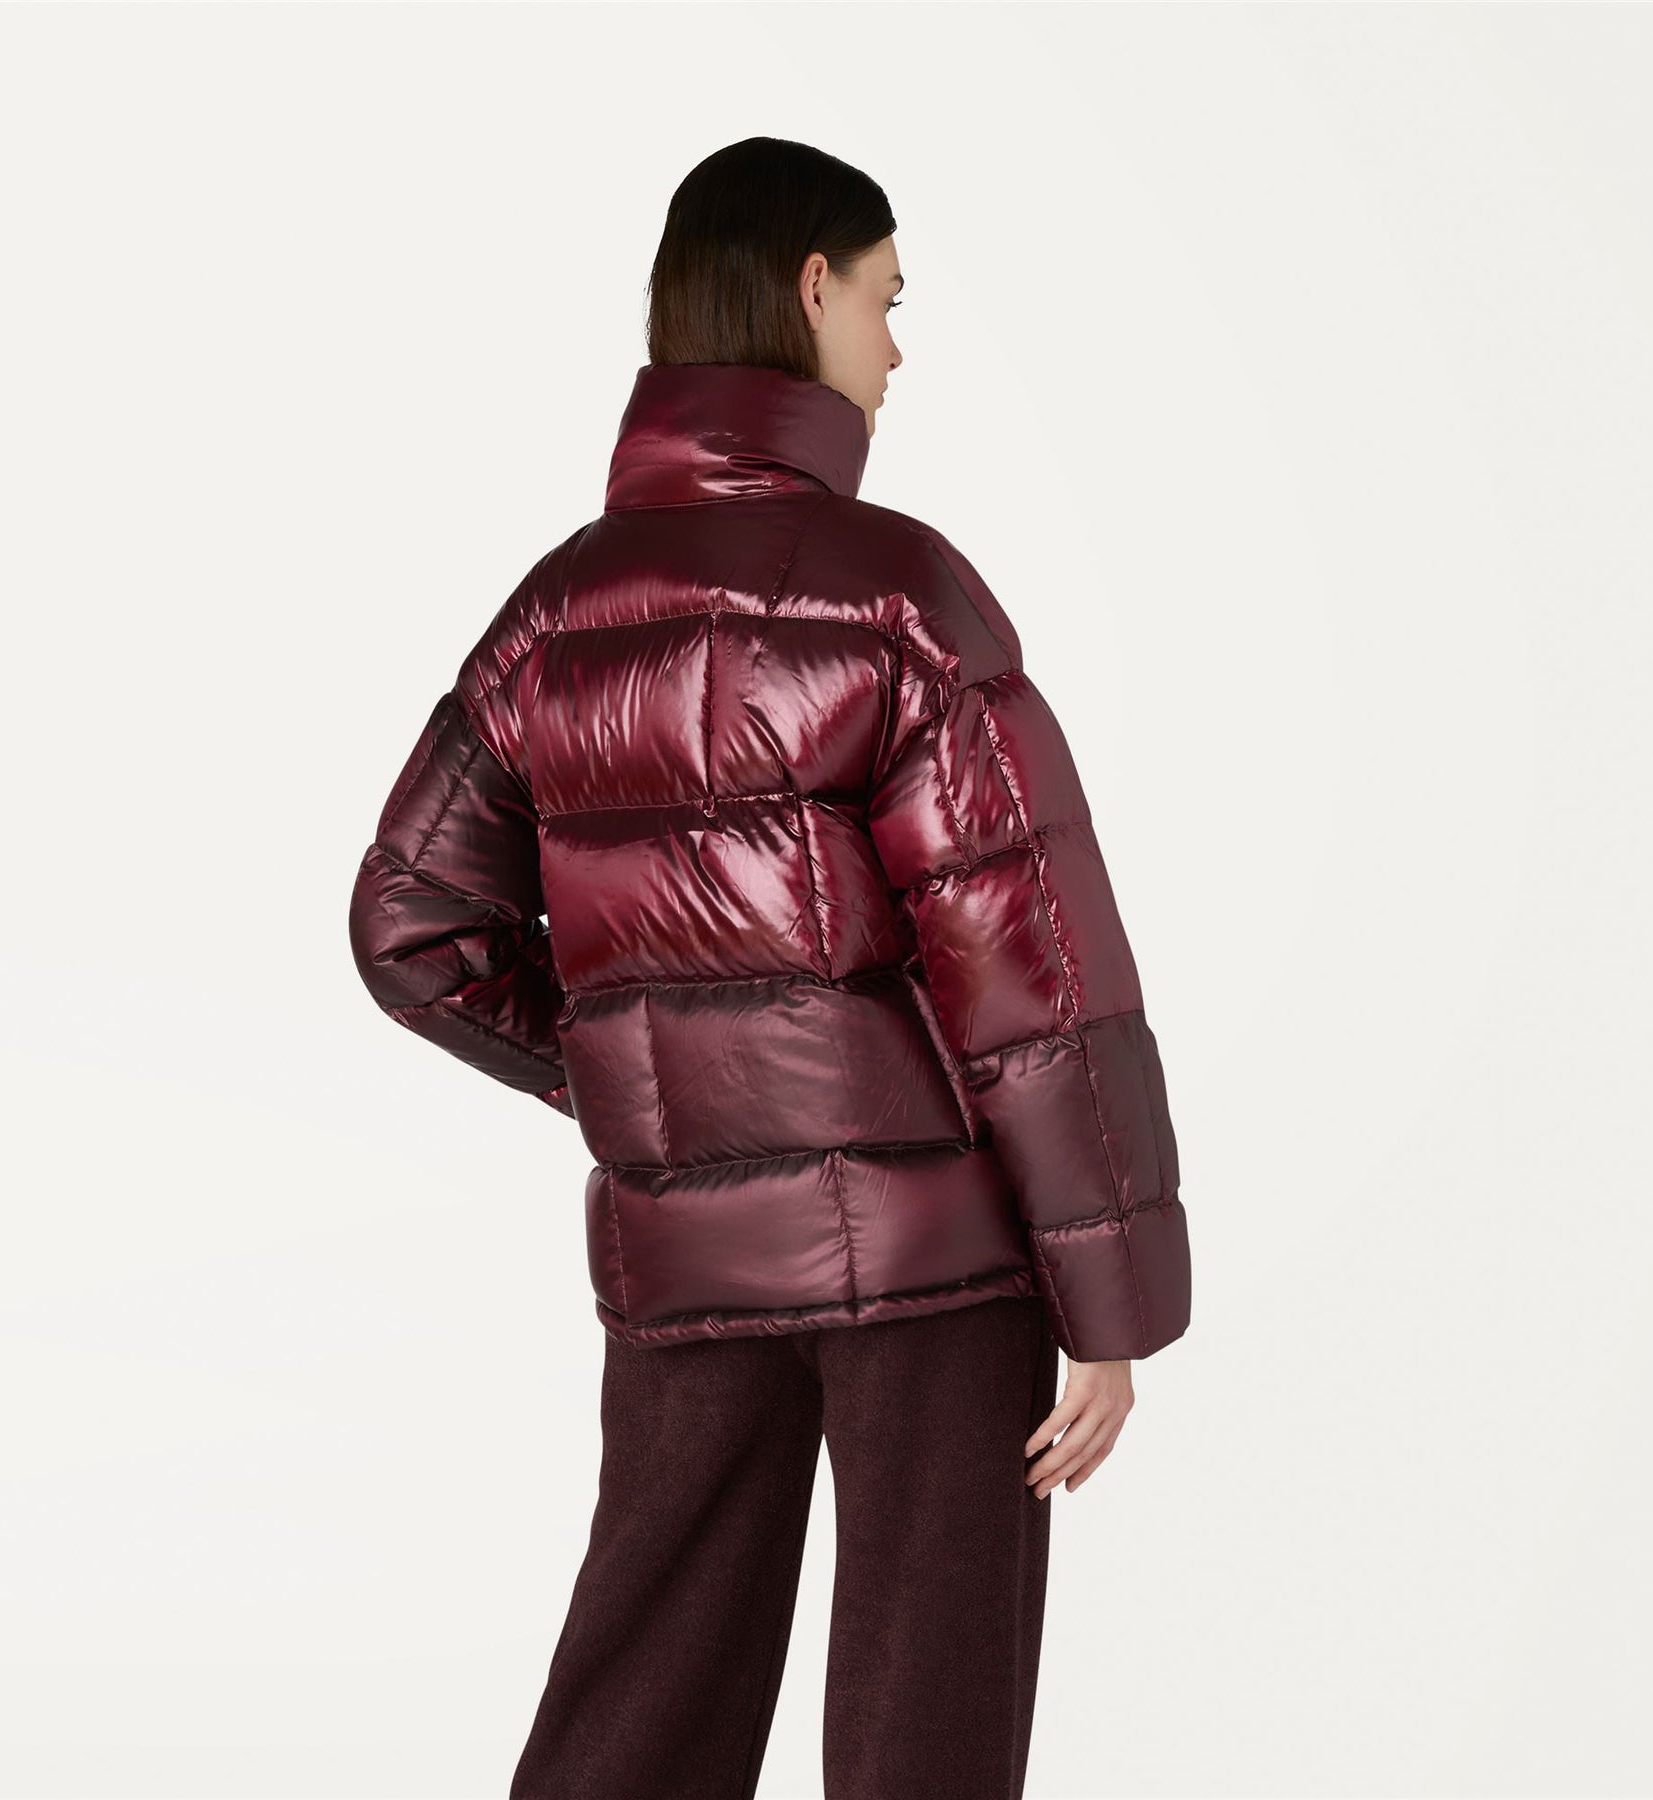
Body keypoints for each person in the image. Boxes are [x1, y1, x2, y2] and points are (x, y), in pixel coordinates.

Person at [348, 136, 1191, 1800]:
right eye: (887, 300)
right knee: (922, 1730)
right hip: (940, 1261)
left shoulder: (556, 613)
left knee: (643, 1703)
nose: (897, 350)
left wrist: (661, 1086)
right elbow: (1030, 964)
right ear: (811, 288)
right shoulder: (899, 593)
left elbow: (411, 927)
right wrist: (1115, 1302)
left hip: (684, 1255)